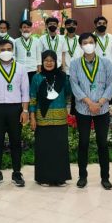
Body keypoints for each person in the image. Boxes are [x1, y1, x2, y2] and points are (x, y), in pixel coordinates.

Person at [69, 33, 112, 190]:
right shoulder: (75, 64)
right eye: (85, 42)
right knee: (83, 143)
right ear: (80, 45)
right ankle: (82, 176)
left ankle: (105, 178)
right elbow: (74, 85)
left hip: (102, 109)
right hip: (83, 109)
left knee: (103, 143)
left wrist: (99, 103)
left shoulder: (106, 63)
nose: (88, 45)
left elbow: (110, 85)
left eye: (91, 42)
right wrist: (89, 103)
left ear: (95, 44)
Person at [0, 39, 29, 187]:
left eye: (9, 49)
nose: (6, 52)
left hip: (15, 109)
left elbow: (25, 91)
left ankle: (17, 172)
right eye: (3, 49)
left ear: (13, 50)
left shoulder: (21, 68)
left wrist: (25, 110)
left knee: (16, 141)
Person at [29, 50, 71, 186]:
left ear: (55, 62)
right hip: (42, 118)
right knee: (44, 148)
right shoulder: (37, 78)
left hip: (60, 118)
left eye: (51, 60)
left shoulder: (63, 77)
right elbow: (33, 98)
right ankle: (43, 178)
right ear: (42, 62)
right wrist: (32, 117)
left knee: (60, 148)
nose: (48, 63)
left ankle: (60, 178)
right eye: (46, 60)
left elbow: (68, 93)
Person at [62, 18, 82, 115]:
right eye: (69, 25)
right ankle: (64, 114)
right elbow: (61, 54)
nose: (71, 26)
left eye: (73, 25)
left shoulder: (80, 39)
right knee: (65, 93)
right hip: (66, 70)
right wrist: (63, 68)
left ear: (76, 26)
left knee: (77, 94)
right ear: (65, 26)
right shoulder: (61, 39)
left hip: (78, 71)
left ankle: (74, 114)